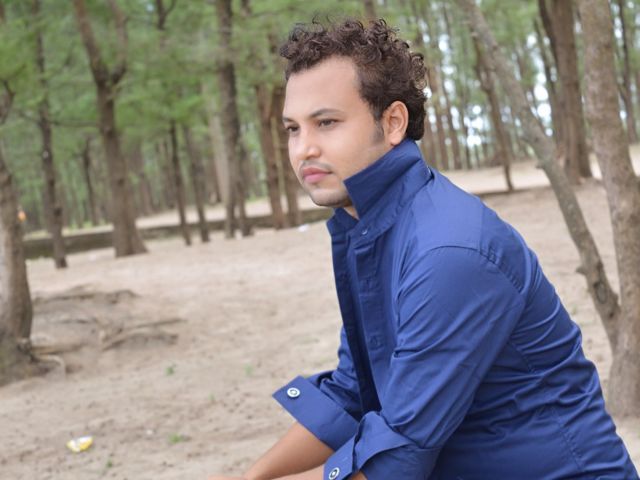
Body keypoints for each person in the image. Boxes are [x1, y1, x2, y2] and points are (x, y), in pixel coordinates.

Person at [210, 19, 639, 480]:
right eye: (293, 129)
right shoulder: (371, 228)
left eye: (327, 122)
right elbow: (353, 392)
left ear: (393, 122)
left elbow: (398, 455)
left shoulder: (448, 251)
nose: (304, 149)